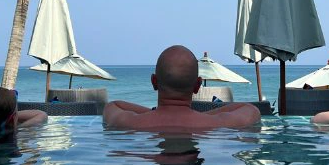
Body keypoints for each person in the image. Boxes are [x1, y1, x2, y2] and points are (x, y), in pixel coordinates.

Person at [103, 45, 261, 131]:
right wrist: (203, 116)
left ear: (154, 82)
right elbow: (251, 109)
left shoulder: (127, 122)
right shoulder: (217, 124)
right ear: (198, 85)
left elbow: (113, 105)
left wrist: (156, 114)